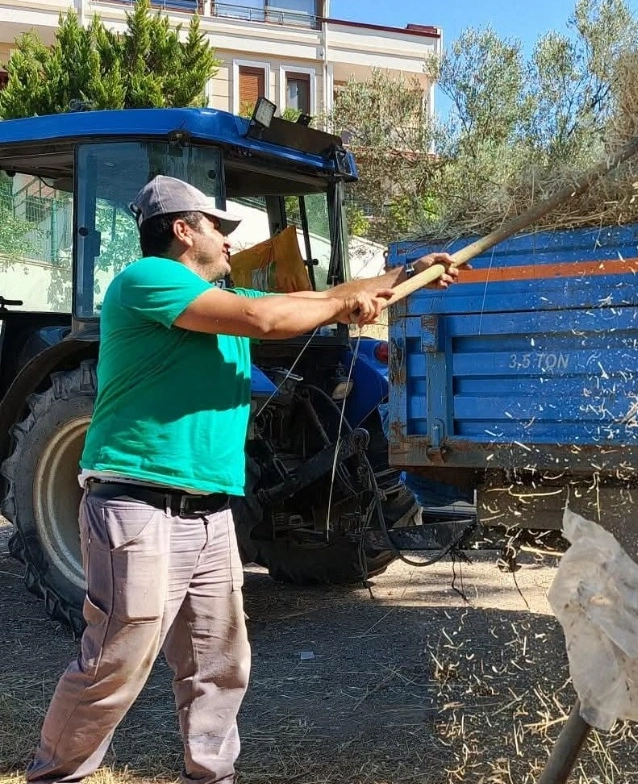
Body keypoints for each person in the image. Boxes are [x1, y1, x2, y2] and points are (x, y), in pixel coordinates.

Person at [26, 175, 459, 784]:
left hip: (209, 512)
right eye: (217, 227)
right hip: (139, 506)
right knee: (116, 663)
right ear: (182, 229)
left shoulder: (210, 303)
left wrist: (388, 281)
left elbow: (305, 302)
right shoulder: (148, 282)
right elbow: (264, 317)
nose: (230, 242)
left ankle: (213, 775)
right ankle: (56, 774)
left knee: (220, 664)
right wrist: (340, 302)